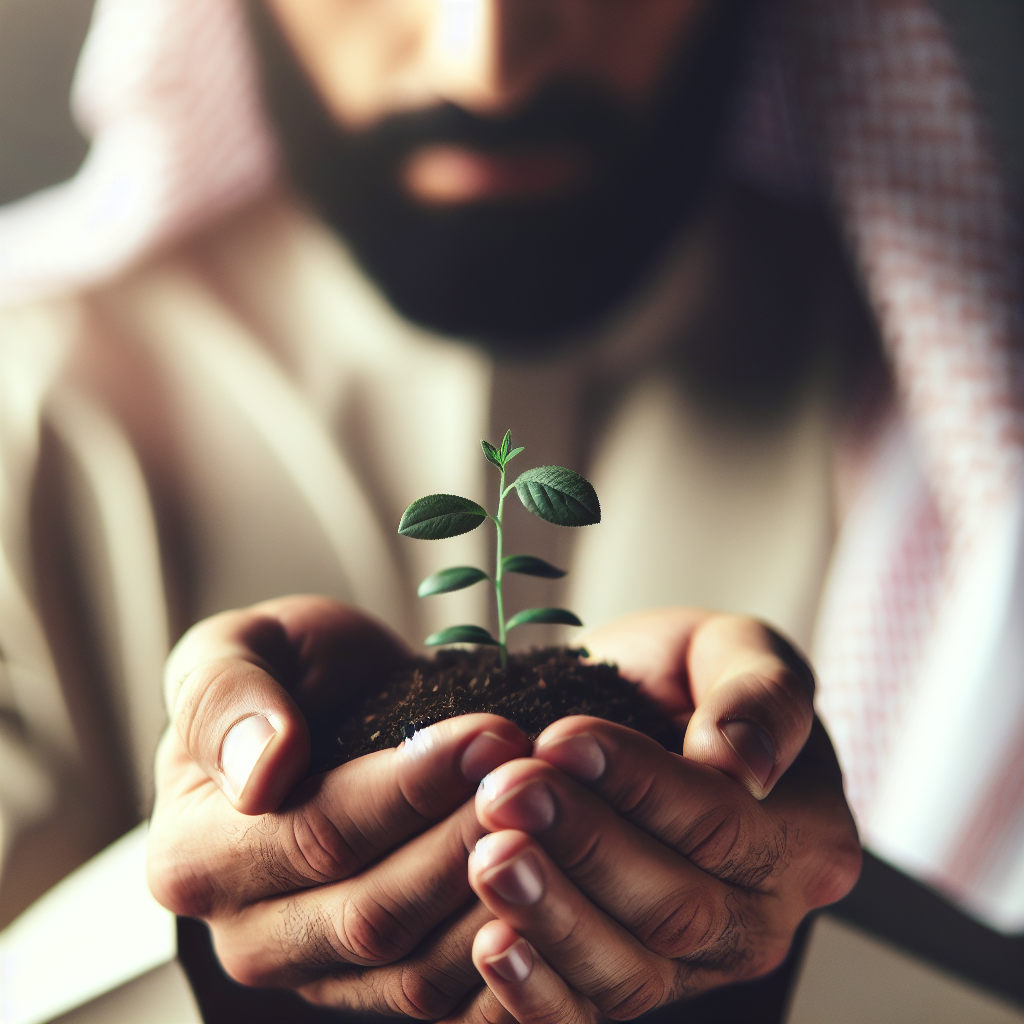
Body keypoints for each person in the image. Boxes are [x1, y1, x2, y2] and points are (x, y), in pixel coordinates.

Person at [0, 0, 1020, 1019]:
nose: (488, 65)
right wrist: (188, 913)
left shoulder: (950, 414)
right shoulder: (33, 405)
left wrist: (807, 932)